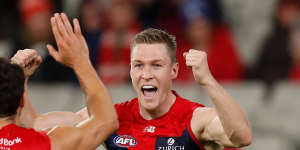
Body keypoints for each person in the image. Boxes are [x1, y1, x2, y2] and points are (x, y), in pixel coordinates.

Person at [74, 28, 252, 150]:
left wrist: (207, 80)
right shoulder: (111, 118)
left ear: (173, 71)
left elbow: (242, 137)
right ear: (130, 70)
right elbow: (53, 131)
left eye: (156, 65)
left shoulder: (195, 119)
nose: (146, 74)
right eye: (139, 65)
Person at [0, 13, 118, 150]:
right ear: (21, 102)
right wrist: (80, 61)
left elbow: (30, 123)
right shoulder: (47, 143)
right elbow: (106, 122)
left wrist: (18, 78)